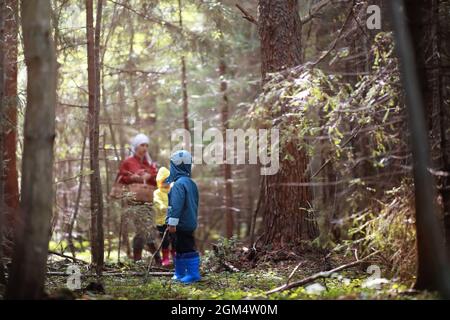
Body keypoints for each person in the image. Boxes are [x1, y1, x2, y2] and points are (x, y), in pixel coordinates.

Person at [117, 133, 159, 262]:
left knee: (149, 229)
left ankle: (157, 260)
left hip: (149, 201)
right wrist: (132, 178)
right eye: (142, 145)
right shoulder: (128, 162)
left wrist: (149, 176)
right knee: (142, 229)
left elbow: (157, 180)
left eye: (146, 145)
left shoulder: (150, 164)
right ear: (136, 146)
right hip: (134, 201)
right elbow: (121, 178)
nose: (145, 148)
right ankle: (139, 260)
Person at [166, 150, 201, 284]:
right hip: (189, 221)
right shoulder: (190, 183)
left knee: (186, 248)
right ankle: (179, 273)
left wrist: (172, 223)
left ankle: (193, 274)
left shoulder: (179, 184)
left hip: (181, 223)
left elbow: (176, 206)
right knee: (179, 248)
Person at [153, 166, 176, 266]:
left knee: (174, 239)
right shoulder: (157, 193)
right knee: (165, 241)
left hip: (173, 220)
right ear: (159, 182)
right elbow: (156, 201)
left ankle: (175, 257)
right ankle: (165, 258)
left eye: (168, 181)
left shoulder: (173, 191)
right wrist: (162, 206)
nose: (166, 183)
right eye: (164, 181)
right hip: (161, 221)